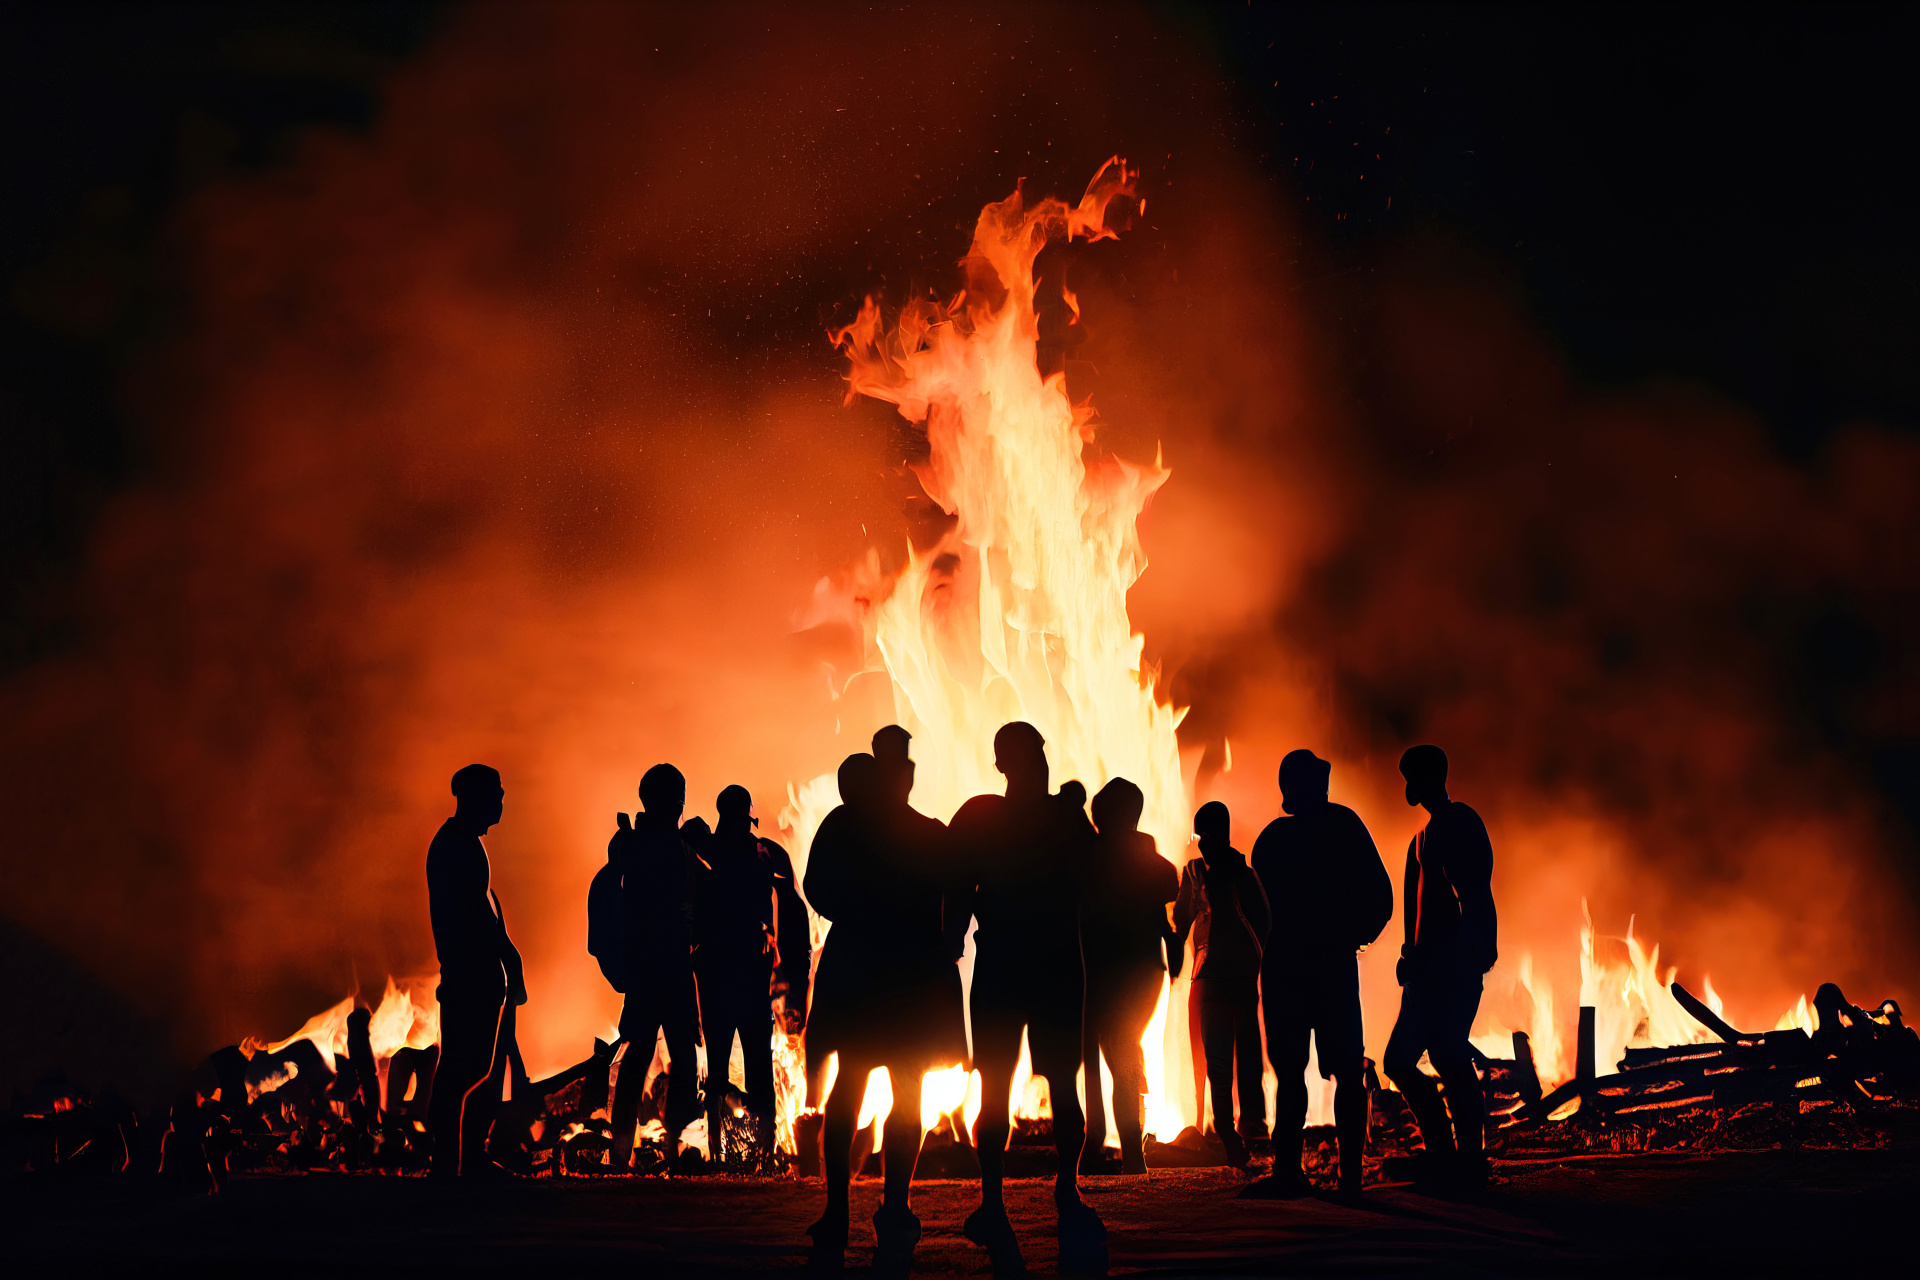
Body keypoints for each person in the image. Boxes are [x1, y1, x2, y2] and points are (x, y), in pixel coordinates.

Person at [803, 737, 965, 1274]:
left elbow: (817, 887)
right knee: (890, 1089)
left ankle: (855, 1211)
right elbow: (959, 895)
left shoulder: (852, 828)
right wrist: (945, 941)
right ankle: (883, 1209)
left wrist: (859, 916)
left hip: (869, 974)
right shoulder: (917, 832)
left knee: (862, 1086)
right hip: (903, 976)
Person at [949, 722, 1104, 1277]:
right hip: (1026, 963)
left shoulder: (1047, 816)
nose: (1040, 759)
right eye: (1031, 752)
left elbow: (1096, 879)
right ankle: (999, 1199)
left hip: (1036, 963)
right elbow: (958, 885)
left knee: (1059, 1080)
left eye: (1039, 751)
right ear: (1005, 763)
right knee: (1000, 1082)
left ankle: (1061, 1187)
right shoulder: (1041, 816)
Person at [1247, 749, 1393, 1197]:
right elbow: (1381, 897)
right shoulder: (1343, 827)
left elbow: (1253, 912)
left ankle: (1290, 1172)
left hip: (1286, 970)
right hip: (1329, 968)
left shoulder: (1272, 840)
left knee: (1294, 1074)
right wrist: (1354, 936)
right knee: (1343, 1070)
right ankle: (1349, 1179)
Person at [1382, 744, 1497, 1186]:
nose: (1409, 786)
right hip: (1425, 973)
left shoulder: (1459, 823)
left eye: (1414, 777)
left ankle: (1467, 1160)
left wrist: (1472, 951)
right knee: (1401, 1060)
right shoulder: (1422, 838)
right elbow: (1420, 908)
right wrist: (1409, 956)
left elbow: (1473, 894)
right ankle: (1446, 1154)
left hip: (1451, 969)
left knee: (1447, 1053)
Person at [425, 763, 526, 1178]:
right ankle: (450, 1162)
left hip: (473, 975)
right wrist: (510, 960)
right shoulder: (458, 847)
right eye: (495, 792)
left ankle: (462, 1158)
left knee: (472, 1067)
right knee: (464, 1068)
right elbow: (478, 918)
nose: (501, 799)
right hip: (469, 976)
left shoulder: (462, 843)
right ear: (476, 796)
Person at [1080, 777, 1179, 1175]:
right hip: (1140, 972)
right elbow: (1165, 900)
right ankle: (1117, 1146)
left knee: (1116, 1052)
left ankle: (1126, 1153)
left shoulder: (1096, 857)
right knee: (1120, 1051)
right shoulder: (1146, 860)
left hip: (1111, 972)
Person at [607, 763, 703, 1171]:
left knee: (653, 1058)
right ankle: (660, 1152)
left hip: (655, 966)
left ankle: (633, 1152)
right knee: (667, 1057)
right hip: (661, 964)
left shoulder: (635, 843)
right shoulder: (653, 845)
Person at [685, 785, 782, 1165]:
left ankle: (717, 1151)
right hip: (750, 972)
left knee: (718, 1065)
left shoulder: (708, 850)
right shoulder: (758, 853)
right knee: (759, 1066)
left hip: (716, 971)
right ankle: (764, 1149)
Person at [1173, 801, 1270, 1169]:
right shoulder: (1198, 873)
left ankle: (1248, 1127)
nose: (1200, 843)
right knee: (1219, 1057)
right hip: (1214, 977)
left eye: (1204, 835)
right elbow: (1183, 917)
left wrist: (1257, 960)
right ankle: (1226, 1131)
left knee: (1243, 1053)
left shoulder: (1241, 875)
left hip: (1233, 977)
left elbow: (1262, 919)